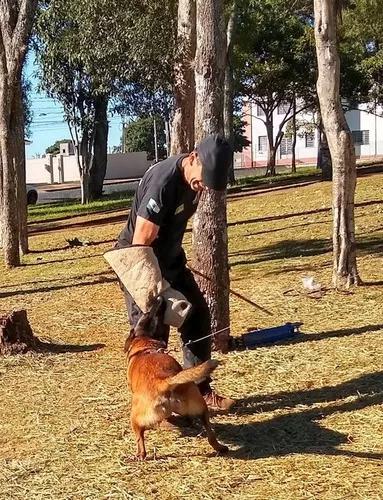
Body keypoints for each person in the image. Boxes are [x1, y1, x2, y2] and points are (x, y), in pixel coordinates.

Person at [115, 134, 235, 411]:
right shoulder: (163, 182)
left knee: (198, 317)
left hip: (171, 262)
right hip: (141, 264)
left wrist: (173, 261)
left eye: (207, 185)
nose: (202, 188)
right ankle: (158, 402)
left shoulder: (195, 182)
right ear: (193, 158)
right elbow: (141, 241)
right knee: (153, 338)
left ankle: (197, 390)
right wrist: (154, 291)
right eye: (203, 180)